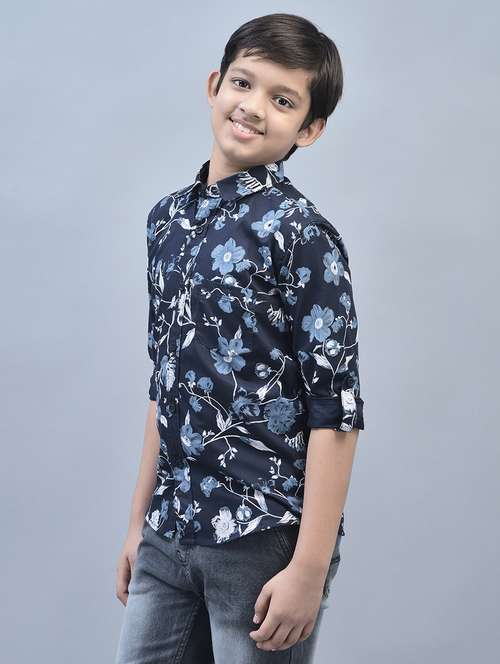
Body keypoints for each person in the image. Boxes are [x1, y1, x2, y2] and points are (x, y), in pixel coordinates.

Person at [115, 12, 365, 663]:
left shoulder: (301, 235)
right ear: (214, 85)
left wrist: (309, 567)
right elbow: (165, 380)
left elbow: (335, 411)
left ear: (309, 129)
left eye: (282, 100)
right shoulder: (166, 221)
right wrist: (139, 523)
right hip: (169, 530)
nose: (253, 107)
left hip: (261, 538)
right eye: (244, 83)